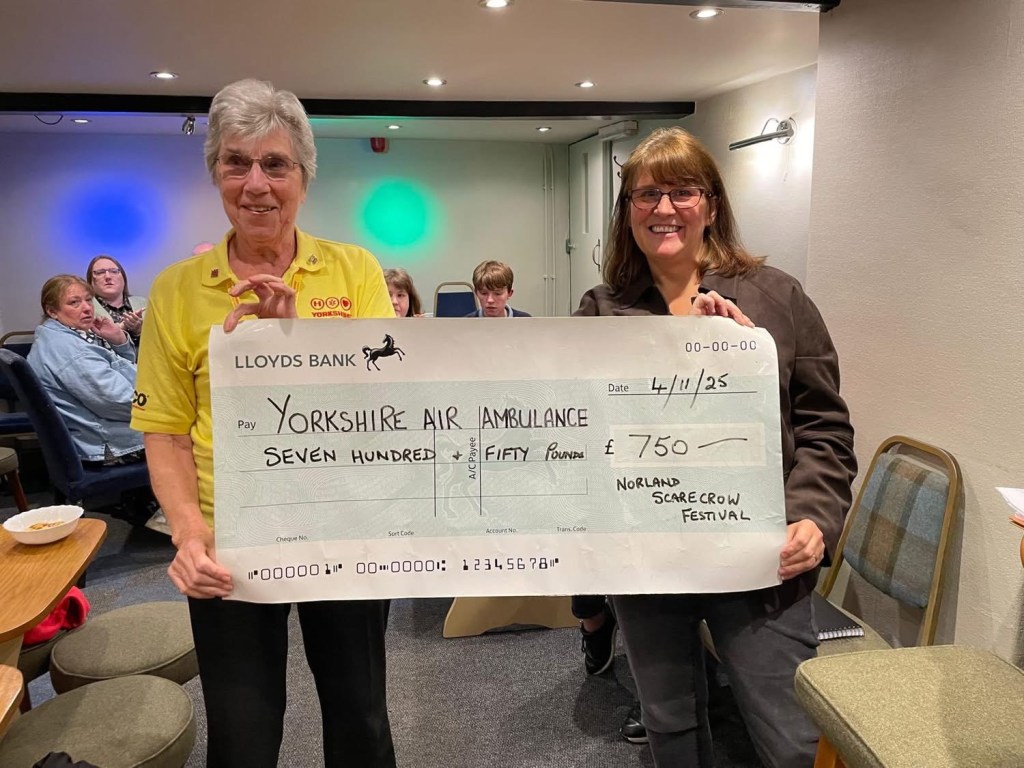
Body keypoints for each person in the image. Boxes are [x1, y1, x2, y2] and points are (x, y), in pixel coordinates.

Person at [130, 79, 397, 768]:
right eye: (236, 162)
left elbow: (384, 410)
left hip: (343, 529)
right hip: (229, 545)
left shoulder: (355, 271)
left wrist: (293, 346)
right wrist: (188, 534)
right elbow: (165, 432)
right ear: (216, 173)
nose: (256, 184)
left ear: (303, 177)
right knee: (243, 736)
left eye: (275, 164)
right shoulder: (175, 290)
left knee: (361, 719)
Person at [575, 126, 857, 768]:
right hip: (647, 561)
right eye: (646, 195)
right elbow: (584, 434)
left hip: (763, 559)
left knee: (790, 735)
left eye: (683, 192)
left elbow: (825, 428)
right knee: (670, 725)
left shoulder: (778, 297)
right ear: (627, 211)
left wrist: (813, 518)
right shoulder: (601, 310)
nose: (664, 208)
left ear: (711, 204)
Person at [28, 274, 143, 464]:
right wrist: (165, 406)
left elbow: (122, 370)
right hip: (113, 445)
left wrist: (118, 340)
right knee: (189, 431)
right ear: (52, 311)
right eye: (74, 303)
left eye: (88, 300)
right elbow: (120, 402)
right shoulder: (70, 351)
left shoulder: (57, 335)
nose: (87, 308)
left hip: (103, 436)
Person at [86, 255, 147, 343]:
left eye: (114, 271)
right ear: (91, 281)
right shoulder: (85, 309)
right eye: (100, 272)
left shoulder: (144, 303)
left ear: (123, 278)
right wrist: (121, 328)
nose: (108, 277)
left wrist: (139, 331)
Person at [465, 259, 531, 317]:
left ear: (509, 293)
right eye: (484, 293)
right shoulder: (465, 323)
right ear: (476, 293)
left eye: (498, 293)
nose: (490, 300)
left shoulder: (526, 320)